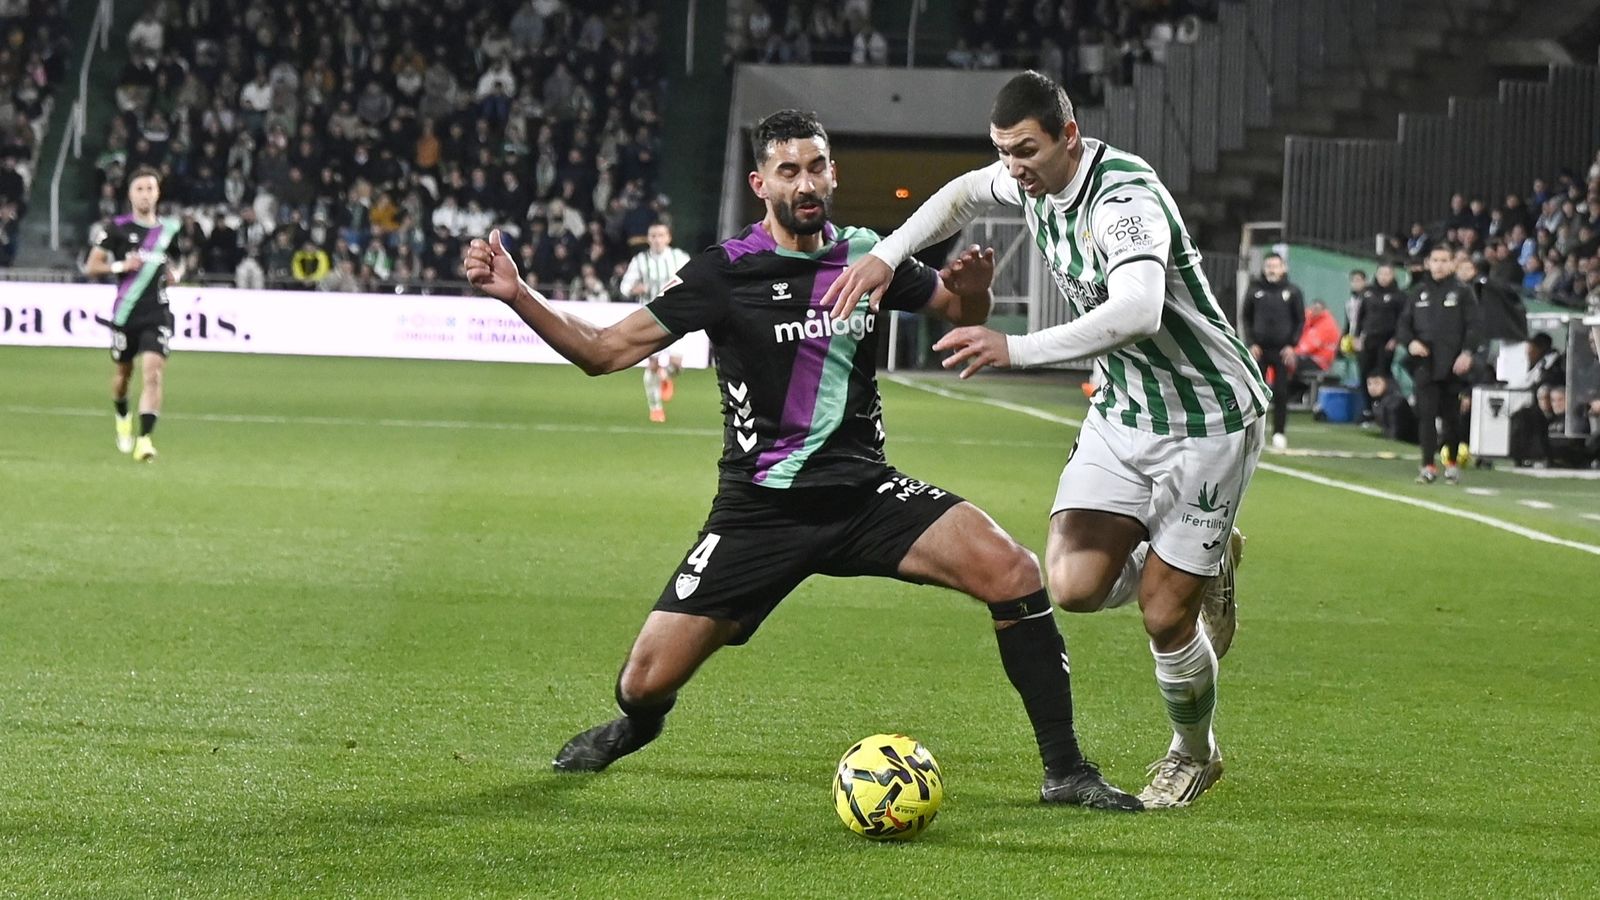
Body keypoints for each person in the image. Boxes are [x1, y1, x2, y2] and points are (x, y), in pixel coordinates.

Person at [462, 109, 1142, 811]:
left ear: (833, 173)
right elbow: (602, 352)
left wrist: (973, 288)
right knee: (641, 684)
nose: (806, 183)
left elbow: (959, 311)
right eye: (789, 171)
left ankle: (1066, 772)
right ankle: (636, 727)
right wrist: (518, 295)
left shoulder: (867, 254)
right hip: (760, 510)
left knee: (1015, 571)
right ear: (761, 184)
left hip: (866, 495)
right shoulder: (725, 273)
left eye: (817, 167)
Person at [820, 71, 1267, 809]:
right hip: (1123, 411)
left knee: (1164, 615)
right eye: (1004, 151)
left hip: (1208, 419)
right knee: (1075, 586)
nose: (1013, 166)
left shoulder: (1124, 201)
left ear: (1070, 136)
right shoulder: (1029, 180)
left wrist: (1016, 348)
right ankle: (1197, 560)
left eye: (1026, 150)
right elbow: (964, 192)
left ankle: (1193, 752)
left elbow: (1140, 310)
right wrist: (888, 254)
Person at [83, 166, 183, 462]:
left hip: (157, 313)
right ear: (130, 194)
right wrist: (120, 266)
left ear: (158, 193)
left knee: (153, 373)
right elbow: (92, 266)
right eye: (139, 189)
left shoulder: (169, 229)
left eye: (150, 188)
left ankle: (145, 440)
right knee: (123, 376)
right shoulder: (116, 228)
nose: (145, 195)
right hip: (126, 314)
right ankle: (122, 416)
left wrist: (176, 273)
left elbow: (179, 260)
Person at [1397, 243, 1482, 484]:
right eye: (1435, 260)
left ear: (1453, 264)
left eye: (1444, 260)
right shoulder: (1418, 292)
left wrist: (1467, 353)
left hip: (1453, 364)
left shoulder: (1463, 292)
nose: (1439, 265)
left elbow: (1474, 326)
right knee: (1426, 415)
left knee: (1451, 417)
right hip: (1425, 363)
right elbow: (1403, 325)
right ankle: (1427, 465)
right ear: (1428, 263)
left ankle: (1452, 463)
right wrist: (1411, 343)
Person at [620, 222, 694, 422]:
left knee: (676, 365)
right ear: (648, 238)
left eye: (660, 235)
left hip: (677, 317)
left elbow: (694, 280)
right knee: (652, 364)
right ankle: (655, 408)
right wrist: (634, 289)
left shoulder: (680, 258)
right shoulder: (640, 260)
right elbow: (624, 286)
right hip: (650, 319)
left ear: (668, 238)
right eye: (653, 236)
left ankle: (665, 375)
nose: (657, 239)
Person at [1241, 253, 1304, 450]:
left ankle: (1279, 432)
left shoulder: (1293, 291)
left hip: (1282, 351)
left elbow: (1300, 321)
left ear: (1283, 268)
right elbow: (1246, 317)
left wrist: (1292, 345)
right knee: (1255, 391)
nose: (1271, 270)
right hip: (1259, 350)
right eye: (1268, 266)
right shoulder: (1255, 290)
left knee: (1281, 392)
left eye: (1275, 266)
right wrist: (1251, 342)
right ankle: (1252, 433)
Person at [1349, 264, 1405, 425]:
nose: (1384, 277)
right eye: (1381, 274)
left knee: (1382, 375)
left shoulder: (1399, 296)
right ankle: (1368, 410)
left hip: (1386, 342)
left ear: (1393, 275)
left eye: (1387, 274)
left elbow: (1402, 320)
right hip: (1368, 340)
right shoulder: (1367, 293)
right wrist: (1357, 337)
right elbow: (1360, 316)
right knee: (1365, 375)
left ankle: (1384, 410)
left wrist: (1396, 339)